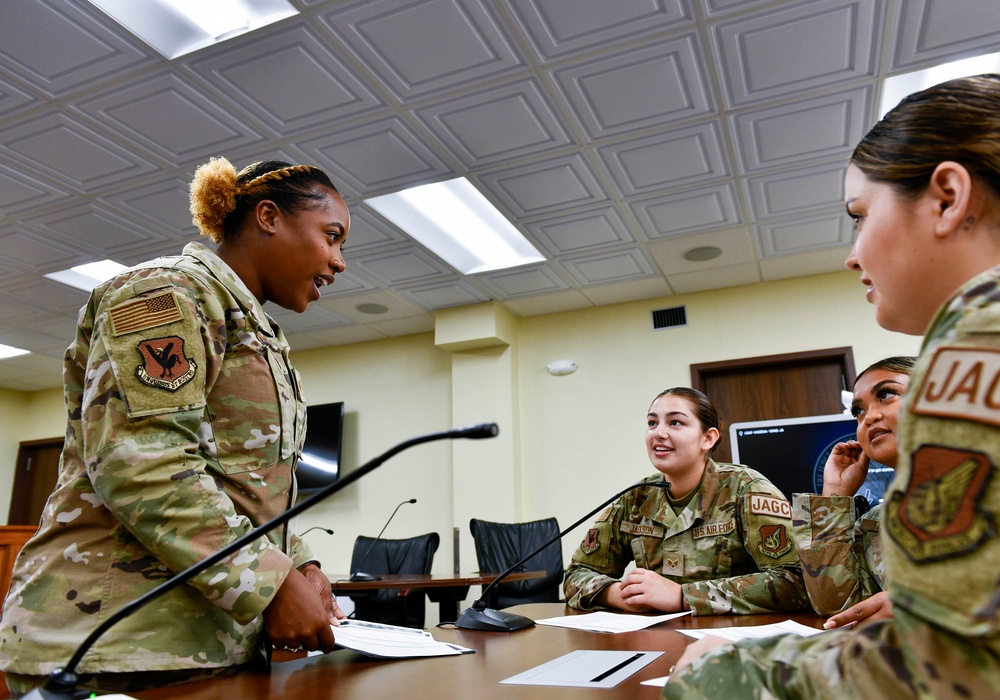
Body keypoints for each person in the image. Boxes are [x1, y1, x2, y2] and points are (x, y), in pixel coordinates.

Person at [665, 74, 1000, 698]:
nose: (852, 255)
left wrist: (722, 674)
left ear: (949, 197)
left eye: (861, 217)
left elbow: (945, 670)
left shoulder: (981, 327)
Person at [0, 157, 350, 697]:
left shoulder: (258, 334)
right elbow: (143, 464)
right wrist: (269, 581)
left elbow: (243, 486)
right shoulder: (166, 295)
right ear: (268, 216)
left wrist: (303, 565)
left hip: (197, 646)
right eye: (332, 236)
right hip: (114, 644)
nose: (339, 261)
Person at [563, 387, 810, 615]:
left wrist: (684, 596)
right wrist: (616, 594)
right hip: (657, 639)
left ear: (708, 438)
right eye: (652, 423)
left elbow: (796, 581)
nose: (658, 433)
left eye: (676, 422)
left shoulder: (747, 490)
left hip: (731, 643)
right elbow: (576, 574)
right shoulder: (635, 498)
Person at [795, 356, 914, 628]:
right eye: (858, 412)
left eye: (886, 394)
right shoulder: (874, 523)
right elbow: (835, 606)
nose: (869, 417)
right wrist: (833, 496)